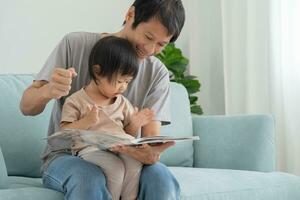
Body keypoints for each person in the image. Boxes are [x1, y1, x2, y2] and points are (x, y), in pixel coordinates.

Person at [20, 0, 185, 199]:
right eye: (148, 36)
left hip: (125, 156)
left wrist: (149, 154)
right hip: (69, 156)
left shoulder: (157, 73)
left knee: (161, 178)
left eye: (161, 44)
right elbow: (26, 106)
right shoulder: (75, 44)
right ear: (130, 14)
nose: (150, 50)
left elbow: (150, 139)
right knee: (88, 177)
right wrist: (48, 91)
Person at [60, 36, 155, 200]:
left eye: (128, 81)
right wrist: (87, 121)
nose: (123, 87)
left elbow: (128, 134)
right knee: (115, 167)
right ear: (97, 71)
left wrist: (135, 123)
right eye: (119, 81)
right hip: (90, 149)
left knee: (133, 163)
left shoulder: (123, 103)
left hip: (119, 148)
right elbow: (65, 132)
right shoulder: (76, 100)